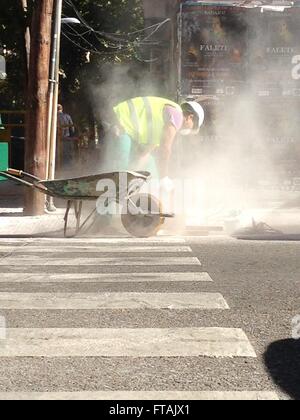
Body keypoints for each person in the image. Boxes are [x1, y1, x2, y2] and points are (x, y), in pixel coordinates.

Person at [107, 96, 205, 190]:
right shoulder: (177, 114)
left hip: (122, 127)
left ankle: (152, 196)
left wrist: (133, 179)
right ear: (189, 117)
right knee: (120, 173)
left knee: (150, 164)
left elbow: (143, 155)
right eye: (192, 128)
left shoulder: (159, 127)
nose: (188, 131)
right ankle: (111, 201)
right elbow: (165, 149)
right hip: (117, 123)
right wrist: (164, 178)